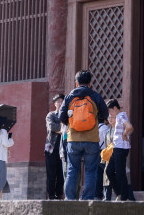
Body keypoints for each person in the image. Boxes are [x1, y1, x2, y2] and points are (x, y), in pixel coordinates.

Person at [58, 70, 109, 200]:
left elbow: (61, 116)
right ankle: (87, 198)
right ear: (90, 83)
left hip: (73, 139)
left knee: (72, 170)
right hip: (91, 139)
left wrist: (71, 124)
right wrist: (95, 120)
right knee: (91, 170)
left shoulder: (69, 97)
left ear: (76, 83)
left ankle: (70, 198)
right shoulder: (95, 96)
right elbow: (105, 114)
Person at [106, 99, 134, 200]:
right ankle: (120, 194)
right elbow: (131, 128)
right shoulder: (121, 116)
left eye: (110, 111)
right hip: (118, 148)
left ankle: (123, 196)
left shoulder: (121, 116)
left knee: (120, 173)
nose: (110, 114)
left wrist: (124, 134)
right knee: (109, 171)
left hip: (121, 148)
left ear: (115, 108)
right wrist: (126, 134)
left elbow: (130, 127)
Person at [45, 94, 65, 199]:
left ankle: (59, 194)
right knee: (51, 173)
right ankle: (51, 195)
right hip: (50, 147)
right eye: (58, 101)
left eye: (62, 101)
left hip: (63, 147)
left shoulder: (65, 115)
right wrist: (62, 128)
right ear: (54, 104)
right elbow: (52, 127)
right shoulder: (50, 115)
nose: (60, 103)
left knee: (61, 173)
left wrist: (60, 130)